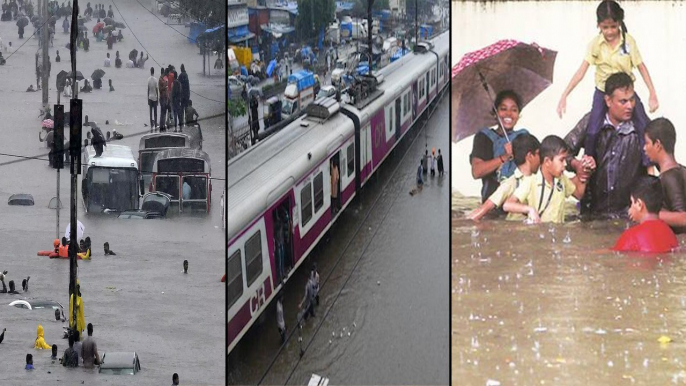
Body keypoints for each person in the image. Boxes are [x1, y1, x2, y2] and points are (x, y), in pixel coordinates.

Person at [557, 0, 657, 168]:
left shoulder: (628, 42)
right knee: (593, 128)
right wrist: (564, 95)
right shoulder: (595, 45)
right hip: (603, 91)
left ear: (619, 22)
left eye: (613, 26)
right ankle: (588, 163)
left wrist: (652, 93)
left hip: (625, 91)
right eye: (605, 27)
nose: (609, 32)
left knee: (643, 124)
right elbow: (581, 71)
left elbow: (641, 67)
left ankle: (649, 166)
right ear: (598, 26)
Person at [564, 72, 646, 218]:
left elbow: (660, 159)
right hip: (592, 214)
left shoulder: (640, 129)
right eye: (623, 101)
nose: (630, 106)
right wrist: (577, 164)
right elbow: (561, 152)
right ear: (608, 101)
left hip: (629, 216)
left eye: (632, 100)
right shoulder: (591, 123)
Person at [504, 135, 588, 224]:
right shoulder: (531, 181)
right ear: (547, 161)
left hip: (558, 232)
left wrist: (585, 172)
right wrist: (530, 210)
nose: (565, 164)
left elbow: (579, 194)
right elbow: (507, 205)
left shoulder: (561, 179)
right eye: (561, 160)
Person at [470, 90, 530, 203]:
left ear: (518, 115)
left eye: (514, 110)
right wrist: (504, 157)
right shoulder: (484, 137)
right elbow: (477, 172)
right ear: (495, 113)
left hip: (519, 203)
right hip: (492, 204)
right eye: (503, 109)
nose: (508, 114)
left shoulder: (523, 137)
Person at [468, 133, 541, 221]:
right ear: (530, 156)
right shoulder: (511, 183)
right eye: (538, 154)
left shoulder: (538, 180)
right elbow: (485, 207)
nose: (541, 159)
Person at [612, 176, 677, 253]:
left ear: (639, 204)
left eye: (632, 203)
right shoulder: (670, 233)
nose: (629, 209)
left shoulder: (631, 235)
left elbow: (613, 254)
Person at [642, 118, 686, 233]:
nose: (644, 148)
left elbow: (683, 218)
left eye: (647, 143)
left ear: (657, 144)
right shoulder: (682, 171)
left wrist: (650, 214)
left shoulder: (669, 177)